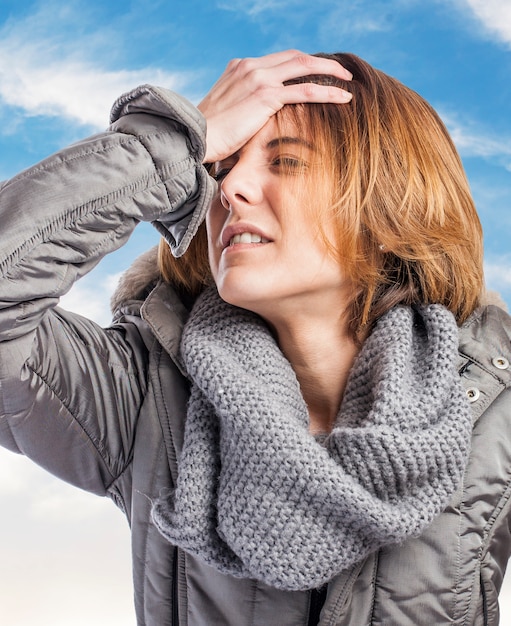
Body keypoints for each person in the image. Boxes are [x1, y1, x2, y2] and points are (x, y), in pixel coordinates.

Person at [0, 49, 509, 625]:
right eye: (220, 166)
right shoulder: (141, 395)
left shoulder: (492, 403)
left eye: (286, 162)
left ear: (389, 203)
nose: (229, 188)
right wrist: (169, 145)